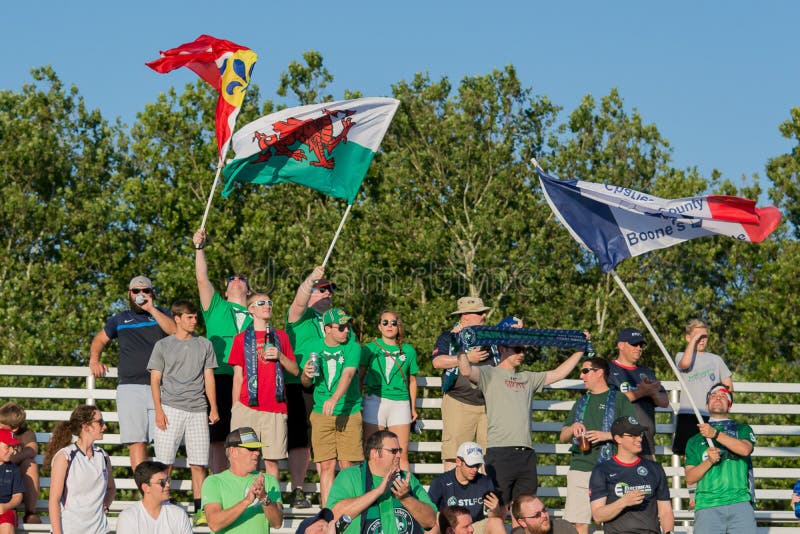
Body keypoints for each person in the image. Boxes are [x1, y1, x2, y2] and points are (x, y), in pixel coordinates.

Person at [459, 336, 587, 512]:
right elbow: (466, 371)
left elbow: (559, 373)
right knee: (498, 511)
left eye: (524, 350)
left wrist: (580, 349)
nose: (522, 354)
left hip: (526, 454)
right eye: (517, 349)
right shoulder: (489, 373)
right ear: (502, 349)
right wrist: (459, 344)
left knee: (526, 511)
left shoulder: (527, 377)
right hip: (500, 452)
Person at [89, 275, 176, 470]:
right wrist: (94, 360)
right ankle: (145, 492)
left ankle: (162, 492)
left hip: (162, 387)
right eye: (136, 291)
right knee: (136, 442)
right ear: (129, 294)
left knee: (165, 443)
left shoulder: (162, 313)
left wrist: (151, 309)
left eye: (145, 290)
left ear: (152, 293)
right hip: (130, 387)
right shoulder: (119, 319)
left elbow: (175, 332)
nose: (141, 294)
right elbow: (99, 340)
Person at [148, 299, 219, 525]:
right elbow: (155, 378)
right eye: (189, 317)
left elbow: (209, 377)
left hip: (198, 409)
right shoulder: (163, 345)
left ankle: (200, 511)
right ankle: (162, 507)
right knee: (164, 463)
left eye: (195, 316)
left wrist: (213, 407)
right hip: (169, 408)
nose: (194, 320)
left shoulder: (205, 344)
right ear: (177, 318)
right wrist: (158, 410)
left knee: (199, 464)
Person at [285, 266, 347, 508]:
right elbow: (299, 303)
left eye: (331, 290)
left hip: (327, 387)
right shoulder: (301, 315)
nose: (328, 294)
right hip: (299, 383)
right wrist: (311, 279)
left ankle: (329, 498)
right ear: (310, 292)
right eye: (322, 290)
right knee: (300, 439)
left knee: (325, 441)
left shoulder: (336, 320)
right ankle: (298, 490)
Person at [193, 229, 253, 474]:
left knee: (244, 437)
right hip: (218, 376)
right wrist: (199, 248)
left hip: (249, 380)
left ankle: (242, 482)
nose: (236, 280)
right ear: (226, 291)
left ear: (249, 291)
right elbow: (202, 279)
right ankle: (218, 481)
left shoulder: (258, 315)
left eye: (241, 278)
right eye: (231, 279)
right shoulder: (216, 306)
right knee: (217, 435)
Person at [559, 358, 635, 534]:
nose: (581, 375)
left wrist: (606, 435)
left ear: (599, 372)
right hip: (581, 466)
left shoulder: (619, 399)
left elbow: (632, 432)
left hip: (610, 468)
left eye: (585, 371)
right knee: (578, 524)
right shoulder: (580, 402)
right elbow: (563, 436)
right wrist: (572, 428)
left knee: (614, 523)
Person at [228, 292, 299, 479]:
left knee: (271, 462)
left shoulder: (281, 337)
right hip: (246, 407)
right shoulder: (240, 338)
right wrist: (235, 407)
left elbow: (295, 370)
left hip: (275, 407)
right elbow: (238, 376)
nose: (267, 305)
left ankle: (273, 504)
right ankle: (246, 505)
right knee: (244, 461)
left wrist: (280, 356)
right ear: (251, 309)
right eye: (262, 303)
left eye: (269, 302)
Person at [299, 308, 364, 506]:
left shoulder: (353, 347)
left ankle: (350, 512)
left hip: (349, 412)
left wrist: (335, 397)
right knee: (326, 466)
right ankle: (327, 514)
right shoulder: (313, 347)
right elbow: (305, 383)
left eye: (348, 326)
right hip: (321, 413)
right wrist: (307, 374)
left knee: (348, 467)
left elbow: (349, 374)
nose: (346, 331)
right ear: (327, 328)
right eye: (341, 327)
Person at [327, 429, 437, 533]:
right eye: (394, 451)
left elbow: (431, 521)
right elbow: (333, 516)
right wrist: (378, 491)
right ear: (375, 453)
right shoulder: (349, 476)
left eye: (400, 450)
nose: (399, 455)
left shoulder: (408, 479)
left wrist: (406, 498)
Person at [431, 296, 496, 471]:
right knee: (454, 456)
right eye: (479, 313)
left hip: (491, 405)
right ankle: (450, 496)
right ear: (465, 316)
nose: (484, 316)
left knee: (490, 457)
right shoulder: (449, 337)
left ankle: (488, 497)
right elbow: (437, 362)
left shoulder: (492, 336)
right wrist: (466, 358)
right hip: (459, 402)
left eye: (483, 312)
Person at [684, 384, 756, 532]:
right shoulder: (694, 440)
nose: (718, 397)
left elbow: (744, 449)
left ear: (729, 406)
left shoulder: (742, 429)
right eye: (713, 395)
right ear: (706, 405)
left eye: (723, 396)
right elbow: (690, 478)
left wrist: (715, 434)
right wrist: (708, 461)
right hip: (707, 506)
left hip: (740, 503)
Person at [589, 416, 674, 534]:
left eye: (640, 434)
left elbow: (665, 510)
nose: (639, 439)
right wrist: (623, 502)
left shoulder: (655, 468)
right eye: (633, 435)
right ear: (618, 438)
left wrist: (669, 532)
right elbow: (598, 516)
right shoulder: (602, 470)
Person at [360, 309, 419, 472]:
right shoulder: (369, 349)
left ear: (398, 326)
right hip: (374, 400)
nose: (389, 326)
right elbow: (359, 376)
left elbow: (412, 381)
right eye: (385, 322)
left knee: (400, 453)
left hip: (400, 402)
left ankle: (404, 494)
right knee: (373, 451)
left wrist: (413, 407)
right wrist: (358, 403)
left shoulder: (408, 350)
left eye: (393, 323)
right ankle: (370, 493)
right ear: (379, 326)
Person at [44, 405, 115, 534]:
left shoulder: (103, 456)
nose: (104, 427)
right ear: (85, 426)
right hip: (69, 530)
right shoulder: (65, 456)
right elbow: (54, 500)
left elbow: (111, 488)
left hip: (99, 530)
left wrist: (106, 505)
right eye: (100, 422)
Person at [201, 427, 283, 533]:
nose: (257, 453)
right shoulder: (213, 481)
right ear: (233, 451)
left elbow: (277, 523)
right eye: (251, 449)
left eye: (257, 449)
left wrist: (263, 497)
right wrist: (246, 501)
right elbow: (214, 524)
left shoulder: (268, 480)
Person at [672, 318, 733, 456]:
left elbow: (728, 385)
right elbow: (685, 364)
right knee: (688, 453)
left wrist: (719, 400)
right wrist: (693, 341)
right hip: (689, 413)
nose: (702, 340)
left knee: (711, 452)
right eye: (698, 336)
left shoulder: (716, 359)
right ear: (688, 338)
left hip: (711, 415)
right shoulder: (681, 355)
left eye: (705, 336)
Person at [607, 328, 668, 458]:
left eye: (641, 345)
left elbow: (664, 402)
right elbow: (610, 401)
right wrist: (641, 392)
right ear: (621, 345)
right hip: (618, 443)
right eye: (634, 344)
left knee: (648, 478)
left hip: (645, 441)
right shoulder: (608, 370)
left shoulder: (647, 372)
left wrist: (653, 393)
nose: (639, 348)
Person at [426, 442, 503, 534]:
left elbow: (493, 515)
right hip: (450, 529)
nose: (475, 469)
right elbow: (428, 512)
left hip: (473, 528)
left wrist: (496, 510)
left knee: (496, 522)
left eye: (477, 465)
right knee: (431, 526)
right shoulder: (440, 482)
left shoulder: (485, 482)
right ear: (458, 461)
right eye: (471, 465)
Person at [116, 460, 193, 534]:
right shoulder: (128, 517)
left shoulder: (179, 514)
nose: (168, 485)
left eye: (168, 480)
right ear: (146, 487)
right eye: (162, 482)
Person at [0, 402, 39, 524]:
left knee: (30, 464)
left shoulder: (25, 434)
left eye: (2, 425)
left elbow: (32, 449)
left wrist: (13, 459)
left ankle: (30, 513)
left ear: (14, 428)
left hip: (15, 480)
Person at [511, 495, 578, 534]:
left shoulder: (563, 529)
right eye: (537, 515)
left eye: (544, 510)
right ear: (522, 522)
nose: (544, 516)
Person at [0, 429, 23, 534]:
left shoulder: (14, 469)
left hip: (6, 509)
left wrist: (6, 506)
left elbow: (17, 496)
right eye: (7, 447)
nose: (12, 451)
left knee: (7, 527)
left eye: (13, 447)